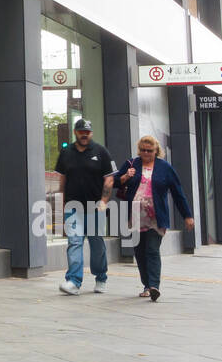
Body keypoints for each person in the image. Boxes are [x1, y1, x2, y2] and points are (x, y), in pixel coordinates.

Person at [113, 135, 194, 302]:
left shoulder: (165, 168)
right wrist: (125, 177)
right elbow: (114, 183)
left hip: (156, 218)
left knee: (152, 249)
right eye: (142, 150)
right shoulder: (131, 164)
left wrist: (187, 216)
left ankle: (154, 286)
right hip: (134, 217)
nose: (145, 153)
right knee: (140, 253)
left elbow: (178, 193)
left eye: (149, 151)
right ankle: (146, 285)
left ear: (156, 151)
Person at [55, 117, 116, 295]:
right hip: (73, 207)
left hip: (95, 207)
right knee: (74, 242)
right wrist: (62, 203)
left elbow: (109, 178)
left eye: (87, 132)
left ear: (91, 133)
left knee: (97, 245)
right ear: (75, 132)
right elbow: (62, 179)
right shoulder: (66, 153)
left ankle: (101, 277)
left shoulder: (101, 151)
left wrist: (104, 202)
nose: (84, 135)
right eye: (81, 132)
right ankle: (73, 281)